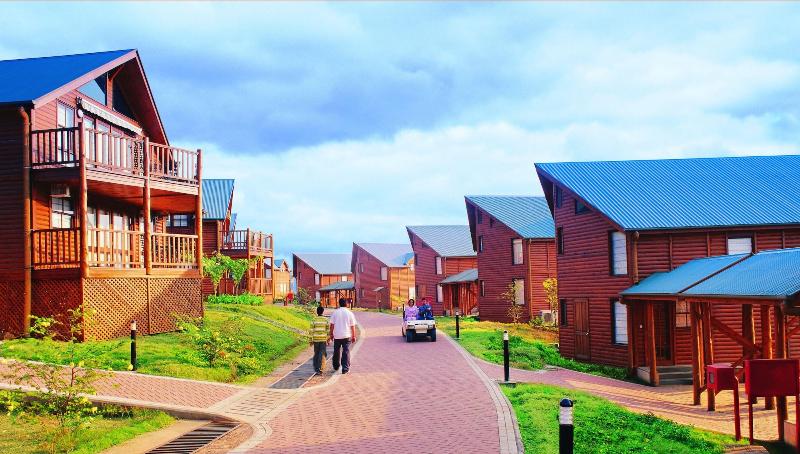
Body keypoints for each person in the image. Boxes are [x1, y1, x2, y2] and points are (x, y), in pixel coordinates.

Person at [328, 297, 357, 374]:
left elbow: (332, 325)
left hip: (337, 335)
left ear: (339, 304)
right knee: (346, 351)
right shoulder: (350, 313)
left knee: (336, 351)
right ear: (346, 304)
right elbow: (352, 326)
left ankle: (336, 366)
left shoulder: (335, 313)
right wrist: (354, 336)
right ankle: (345, 368)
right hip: (346, 335)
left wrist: (331, 334)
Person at [309, 305, 329, 374]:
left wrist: (310, 340)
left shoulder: (314, 319)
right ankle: (320, 368)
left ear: (317, 312)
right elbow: (328, 330)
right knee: (322, 353)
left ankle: (316, 368)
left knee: (316, 353)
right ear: (323, 312)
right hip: (323, 339)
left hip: (316, 339)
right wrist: (328, 339)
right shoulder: (326, 320)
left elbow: (311, 330)